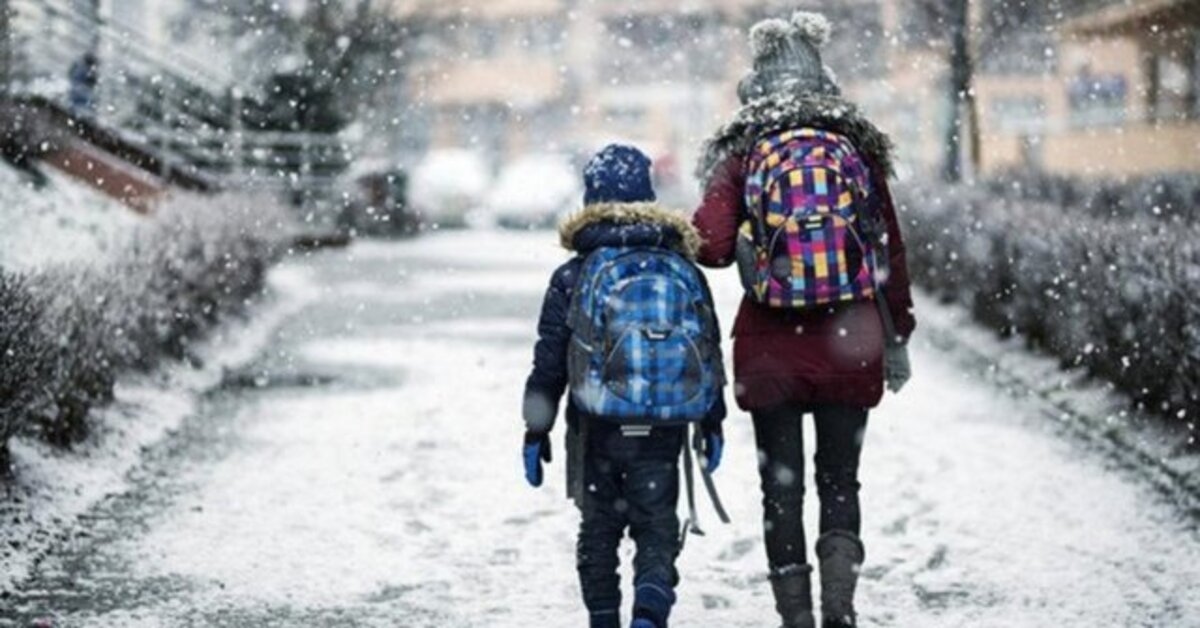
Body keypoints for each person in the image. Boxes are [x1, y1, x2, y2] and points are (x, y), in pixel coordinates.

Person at [691, 12, 916, 628]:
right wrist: (898, 335)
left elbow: (707, 246)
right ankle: (839, 610)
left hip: (770, 351)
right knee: (841, 481)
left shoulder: (743, 153)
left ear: (754, 85)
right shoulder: (856, 151)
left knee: (781, 491)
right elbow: (889, 250)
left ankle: (796, 618)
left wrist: (744, 244)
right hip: (852, 340)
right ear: (825, 81)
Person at [522, 144, 727, 628]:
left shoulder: (574, 273)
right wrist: (713, 422)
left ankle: (605, 619)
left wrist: (536, 430)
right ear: (648, 196)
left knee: (599, 530)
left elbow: (549, 361)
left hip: (597, 425)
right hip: (664, 423)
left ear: (590, 198)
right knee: (656, 527)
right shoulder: (681, 266)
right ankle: (650, 613)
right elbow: (709, 350)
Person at [68, 52, 99, 117]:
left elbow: (70, 74)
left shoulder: (77, 67)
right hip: (83, 98)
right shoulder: (91, 73)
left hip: (75, 95)